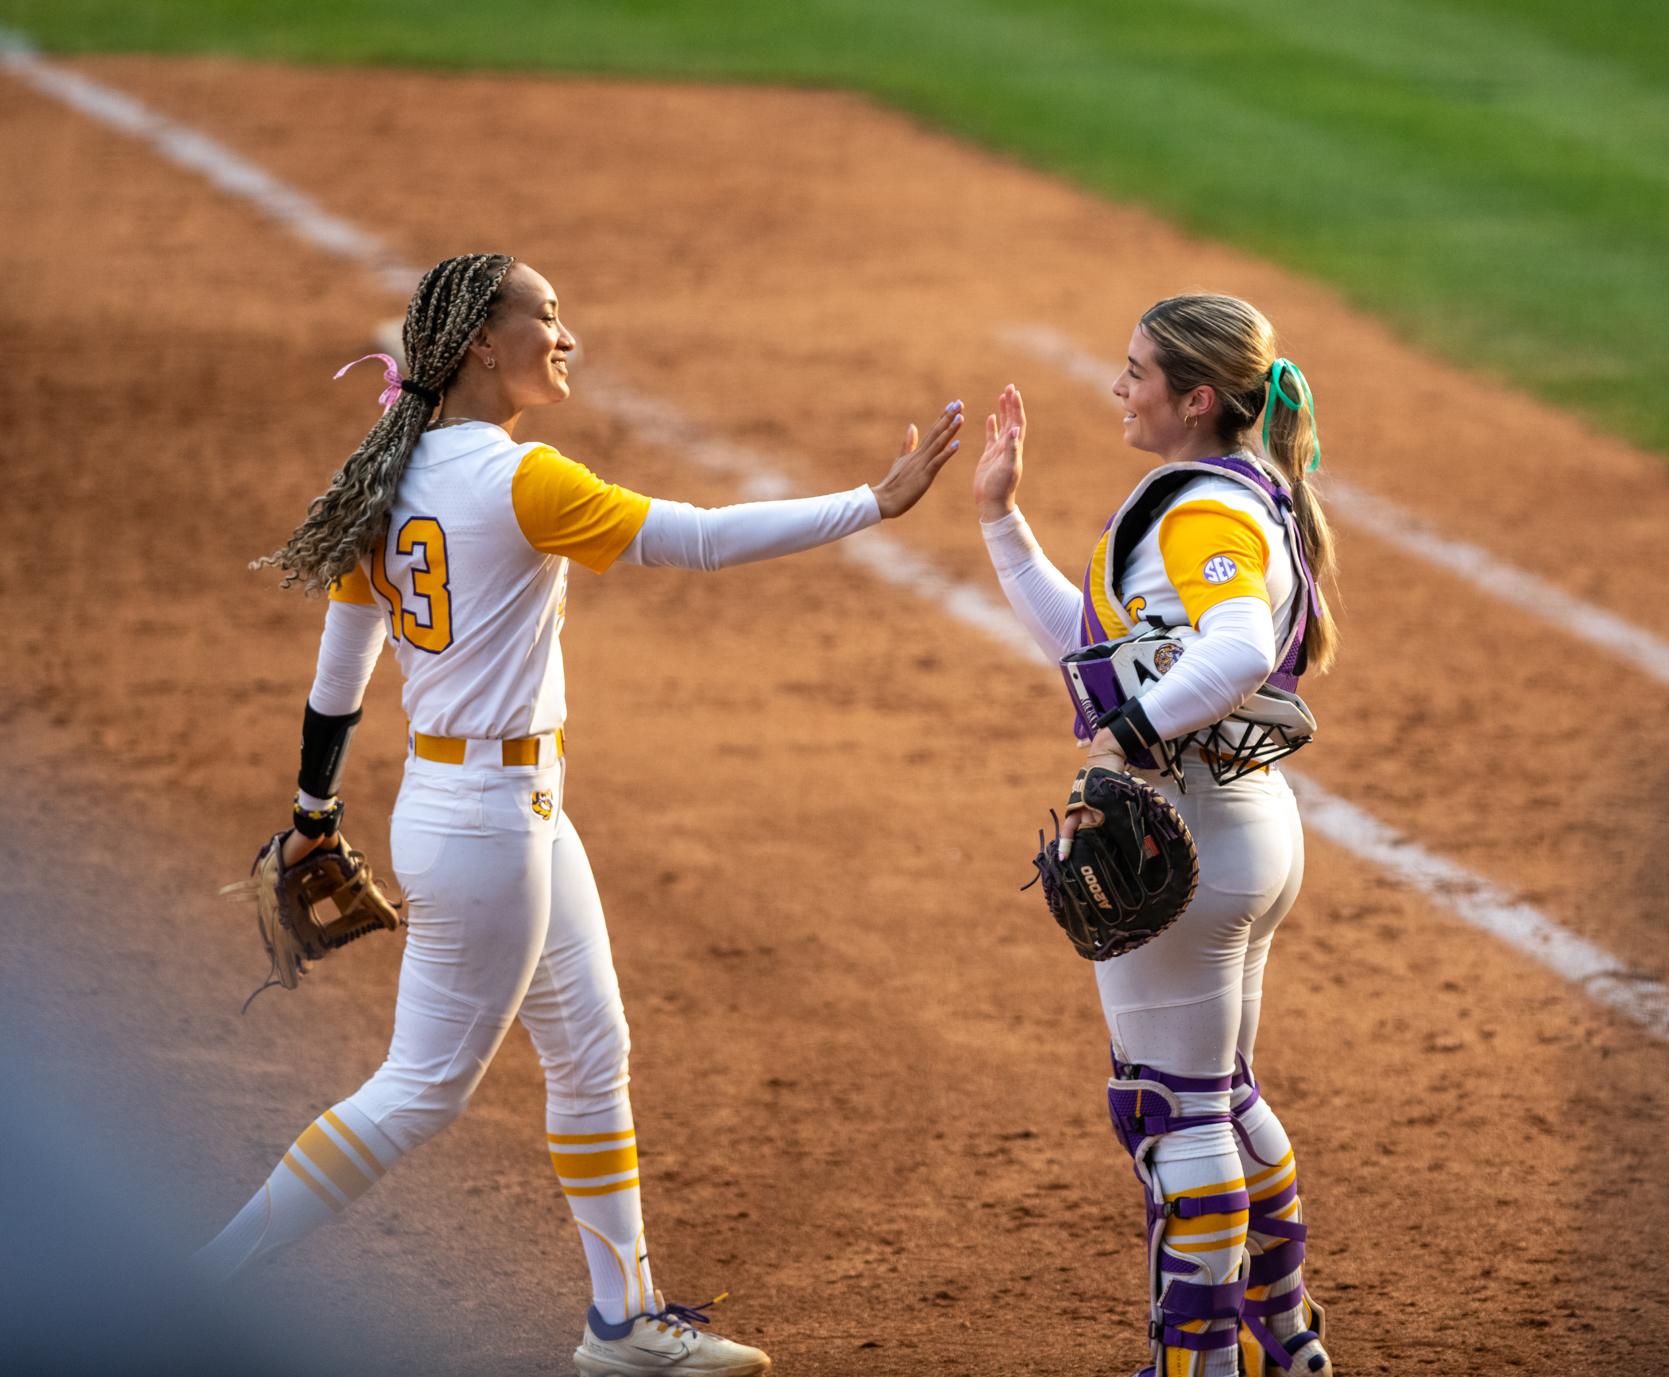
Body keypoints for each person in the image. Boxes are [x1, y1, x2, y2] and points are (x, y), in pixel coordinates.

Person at [197, 252, 963, 1377]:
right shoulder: (521, 479)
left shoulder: (387, 479)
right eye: (543, 317)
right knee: (419, 1089)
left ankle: (622, 1326)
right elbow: (691, 538)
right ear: (477, 348)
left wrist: (313, 806)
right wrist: (873, 502)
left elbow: (339, 669)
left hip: (490, 807)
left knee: (592, 1048)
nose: (565, 335)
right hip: (487, 826)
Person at [971, 294, 1337, 1377]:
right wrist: (1000, 520)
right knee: (1219, 1096)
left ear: (1194, 398)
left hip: (1188, 839)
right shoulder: (1228, 495)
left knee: (1167, 1112)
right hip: (1241, 828)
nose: (1116, 387)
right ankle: (1285, 1337)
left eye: (1134, 372)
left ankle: (1200, 1365)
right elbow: (1092, 654)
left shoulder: (1200, 517)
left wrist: (1120, 743)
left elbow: (1224, 657)